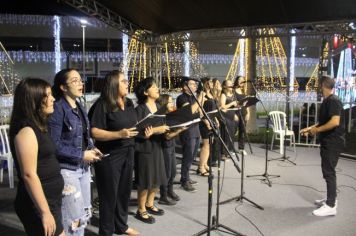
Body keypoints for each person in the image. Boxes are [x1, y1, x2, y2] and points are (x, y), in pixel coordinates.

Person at [48, 69, 103, 235]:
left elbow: (84, 135)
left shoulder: (79, 104)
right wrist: (82, 155)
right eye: (75, 81)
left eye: (80, 80)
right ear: (63, 87)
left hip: (83, 168)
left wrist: (92, 148)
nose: (80, 84)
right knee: (73, 219)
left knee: (83, 216)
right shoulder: (58, 108)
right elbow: (54, 144)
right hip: (67, 170)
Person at [9, 78, 65, 236]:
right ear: (34, 101)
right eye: (47, 95)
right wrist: (45, 212)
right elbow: (29, 174)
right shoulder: (26, 131)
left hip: (49, 200)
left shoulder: (39, 126)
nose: (53, 98)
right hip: (37, 205)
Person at [88, 70, 139, 235]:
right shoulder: (102, 105)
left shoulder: (129, 103)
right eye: (124, 81)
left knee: (124, 192)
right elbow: (94, 132)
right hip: (110, 156)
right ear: (113, 85)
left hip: (128, 152)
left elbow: (134, 125)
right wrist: (118, 134)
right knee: (109, 196)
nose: (127, 83)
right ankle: (106, 231)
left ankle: (121, 225)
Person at [300, 75, 345, 217]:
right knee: (328, 172)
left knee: (329, 173)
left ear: (324, 86)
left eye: (319, 86)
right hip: (329, 141)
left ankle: (331, 206)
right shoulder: (329, 101)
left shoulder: (333, 101)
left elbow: (334, 122)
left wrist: (316, 130)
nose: (318, 89)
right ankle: (331, 199)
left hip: (333, 142)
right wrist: (309, 129)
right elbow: (322, 122)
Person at [134, 77, 170, 224]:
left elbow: (163, 127)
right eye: (153, 86)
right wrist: (157, 129)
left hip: (157, 146)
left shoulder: (159, 106)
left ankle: (149, 203)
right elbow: (136, 131)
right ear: (145, 92)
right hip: (145, 148)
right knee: (145, 179)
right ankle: (140, 209)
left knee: (157, 177)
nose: (157, 89)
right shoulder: (140, 109)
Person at [157, 94, 186, 205]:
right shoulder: (162, 117)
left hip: (171, 146)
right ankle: (163, 196)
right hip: (165, 147)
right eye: (170, 102)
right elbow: (167, 136)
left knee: (173, 171)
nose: (172, 104)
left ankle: (170, 191)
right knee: (167, 172)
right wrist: (180, 130)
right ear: (164, 103)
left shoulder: (170, 115)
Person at [176, 77, 201, 192]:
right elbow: (190, 111)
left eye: (195, 84)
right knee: (187, 155)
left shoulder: (193, 98)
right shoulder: (181, 98)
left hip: (195, 129)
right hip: (187, 130)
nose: (195, 86)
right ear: (185, 87)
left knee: (193, 155)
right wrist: (200, 97)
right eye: (192, 84)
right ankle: (184, 180)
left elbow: (199, 112)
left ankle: (187, 176)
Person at [197, 78, 217, 176]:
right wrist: (206, 121)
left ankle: (204, 164)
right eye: (210, 82)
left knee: (210, 143)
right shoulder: (202, 94)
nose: (212, 83)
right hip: (205, 122)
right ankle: (200, 167)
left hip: (211, 121)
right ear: (205, 84)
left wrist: (216, 120)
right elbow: (199, 109)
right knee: (206, 145)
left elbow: (213, 109)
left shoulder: (211, 94)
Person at [220, 80, 238, 159]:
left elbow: (235, 106)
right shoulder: (223, 95)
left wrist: (239, 105)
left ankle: (229, 151)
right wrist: (232, 103)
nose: (231, 85)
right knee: (226, 135)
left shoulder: (233, 94)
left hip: (232, 115)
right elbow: (222, 106)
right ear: (225, 86)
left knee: (231, 134)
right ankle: (223, 153)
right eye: (229, 84)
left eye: (232, 84)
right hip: (226, 116)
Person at [233, 76, 250, 155]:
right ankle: (230, 148)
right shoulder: (233, 91)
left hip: (243, 113)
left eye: (243, 80)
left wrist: (248, 113)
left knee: (242, 131)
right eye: (240, 80)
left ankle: (241, 148)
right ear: (237, 81)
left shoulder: (244, 92)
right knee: (233, 131)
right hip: (235, 113)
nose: (241, 81)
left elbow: (246, 104)